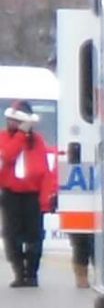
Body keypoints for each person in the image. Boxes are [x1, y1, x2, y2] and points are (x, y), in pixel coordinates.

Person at [0, 105, 56, 288]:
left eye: (17, 121)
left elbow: (44, 171)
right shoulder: (4, 138)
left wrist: (47, 197)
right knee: (11, 236)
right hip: (10, 195)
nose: (12, 123)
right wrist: (20, 136)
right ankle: (19, 272)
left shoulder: (37, 141)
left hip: (32, 196)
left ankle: (31, 273)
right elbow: (8, 156)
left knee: (34, 236)